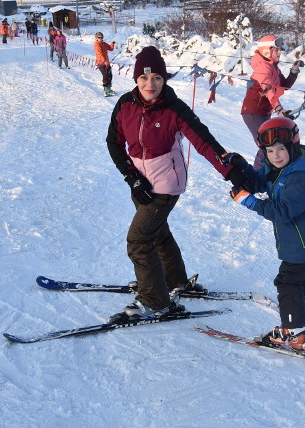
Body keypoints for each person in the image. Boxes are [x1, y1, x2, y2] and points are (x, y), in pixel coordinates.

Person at [105, 46, 253, 319]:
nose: (151, 84)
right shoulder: (125, 104)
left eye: (157, 78)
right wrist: (131, 176)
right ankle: (175, 282)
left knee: (139, 240)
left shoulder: (174, 108)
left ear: (164, 79)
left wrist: (230, 171)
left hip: (165, 183)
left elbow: (203, 141)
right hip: (139, 181)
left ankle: (155, 300)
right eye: (145, 78)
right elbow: (113, 142)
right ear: (136, 80)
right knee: (157, 232)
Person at [225, 117, 305, 351]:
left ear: (292, 147)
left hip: (300, 244)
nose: (276, 155)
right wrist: (242, 167)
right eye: (270, 151)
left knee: (288, 281)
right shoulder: (279, 170)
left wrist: (249, 202)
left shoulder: (301, 178)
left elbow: (282, 212)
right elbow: (260, 182)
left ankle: (293, 333)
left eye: (281, 149)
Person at [241, 34, 303, 170]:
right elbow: (269, 91)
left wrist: (294, 71)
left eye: (280, 49)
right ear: (266, 50)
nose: (280, 52)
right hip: (253, 112)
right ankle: (256, 177)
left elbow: (284, 85)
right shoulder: (262, 68)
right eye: (277, 49)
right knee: (265, 144)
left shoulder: (273, 66)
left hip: (264, 112)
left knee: (271, 142)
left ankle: (268, 173)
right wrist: (279, 109)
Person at [94, 32, 115, 96]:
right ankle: (106, 90)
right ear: (96, 38)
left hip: (106, 62)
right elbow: (100, 54)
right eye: (99, 37)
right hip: (101, 63)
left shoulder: (104, 44)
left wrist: (112, 44)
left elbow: (111, 49)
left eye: (101, 37)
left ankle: (109, 88)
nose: (100, 38)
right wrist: (104, 61)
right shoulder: (96, 44)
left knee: (110, 75)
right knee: (105, 75)